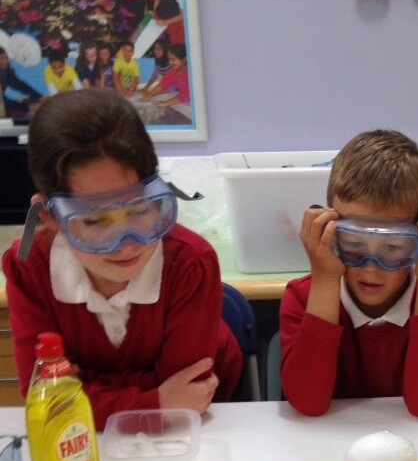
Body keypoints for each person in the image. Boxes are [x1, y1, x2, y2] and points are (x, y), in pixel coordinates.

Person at [2, 88, 242, 430]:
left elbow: (190, 396)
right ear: (50, 218)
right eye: (94, 221)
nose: (125, 244)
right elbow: (46, 401)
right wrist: (156, 402)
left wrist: (84, 390)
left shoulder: (191, 262)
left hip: (203, 425)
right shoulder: (29, 268)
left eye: (141, 210)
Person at [279, 129, 418, 417]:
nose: (370, 266)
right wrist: (325, 279)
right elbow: (307, 403)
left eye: (392, 247)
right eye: (353, 244)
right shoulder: (303, 297)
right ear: (331, 233)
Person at [0, 47, 43, 123]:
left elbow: (20, 85)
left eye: (6, 58)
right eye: (2, 58)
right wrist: (27, 107)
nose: (6, 61)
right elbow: (2, 103)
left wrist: (39, 97)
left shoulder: (5, 73)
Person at [145, 43, 189, 107]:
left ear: (184, 59)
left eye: (173, 60)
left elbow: (185, 95)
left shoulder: (189, 73)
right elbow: (163, 84)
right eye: (169, 59)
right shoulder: (173, 71)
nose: (170, 63)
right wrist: (149, 96)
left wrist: (165, 103)